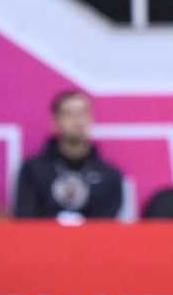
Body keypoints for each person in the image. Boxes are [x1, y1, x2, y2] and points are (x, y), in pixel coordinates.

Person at [13, 90, 125, 219]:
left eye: (82, 113)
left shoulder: (110, 175)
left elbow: (109, 228)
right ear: (54, 122)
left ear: (91, 119)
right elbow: (25, 221)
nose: (77, 120)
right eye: (69, 114)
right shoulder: (32, 170)